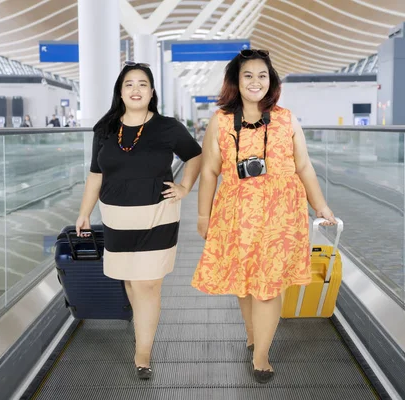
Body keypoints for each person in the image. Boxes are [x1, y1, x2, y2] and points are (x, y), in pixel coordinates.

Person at [191, 49, 336, 384]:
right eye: (248, 75)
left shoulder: (286, 119)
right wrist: (203, 215)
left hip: (281, 216)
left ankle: (261, 356)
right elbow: (210, 171)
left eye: (262, 75)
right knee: (244, 283)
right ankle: (254, 334)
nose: (255, 82)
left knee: (268, 287)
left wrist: (321, 206)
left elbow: (304, 166)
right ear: (235, 82)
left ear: (271, 81)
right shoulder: (221, 121)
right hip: (236, 214)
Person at [75, 62, 202, 380]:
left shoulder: (167, 127)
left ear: (152, 92)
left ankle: (143, 353)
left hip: (157, 216)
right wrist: (84, 212)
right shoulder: (105, 129)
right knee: (131, 281)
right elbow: (95, 174)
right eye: (129, 83)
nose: (136, 89)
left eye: (142, 84)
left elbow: (196, 156)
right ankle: (142, 330)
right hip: (116, 218)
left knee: (148, 283)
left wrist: (185, 186)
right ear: (120, 91)